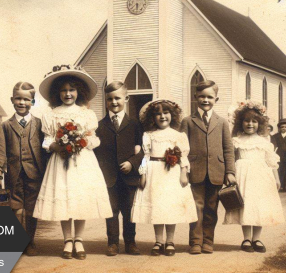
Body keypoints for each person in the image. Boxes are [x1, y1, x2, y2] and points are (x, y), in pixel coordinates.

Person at [33, 65, 112, 260]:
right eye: (63, 90)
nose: (68, 94)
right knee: (64, 198)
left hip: (82, 161)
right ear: (57, 93)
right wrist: (56, 146)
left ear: (79, 92)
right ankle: (67, 239)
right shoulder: (51, 114)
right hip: (60, 161)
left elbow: (94, 139)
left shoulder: (86, 114)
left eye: (72, 90)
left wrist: (82, 141)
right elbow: (47, 139)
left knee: (80, 198)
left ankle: (79, 239)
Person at [131, 99, 197, 256]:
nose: (162, 116)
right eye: (158, 114)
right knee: (157, 206)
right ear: (152, 118)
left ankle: (170, 241)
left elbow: (182, 156)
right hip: (155, 173)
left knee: (170, 207)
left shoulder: (178, 135)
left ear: (172, 115)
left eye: (166, 113)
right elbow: (145, 156)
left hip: (171, 173)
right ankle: (158, 241)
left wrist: (183, 173)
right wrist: (143, 174)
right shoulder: (149, 135)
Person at [180, 80, 236, 255]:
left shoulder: (222, 122)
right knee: (196, 207)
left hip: (216, 172)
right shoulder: (188, 121)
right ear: (195, 97)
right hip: (194, 171)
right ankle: (195, 242)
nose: (205, 100)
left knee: (212, 208)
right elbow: (181, 148)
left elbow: (228, 148)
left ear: (216, 99)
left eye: (209, 97)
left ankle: (208, 241)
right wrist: (183, 171)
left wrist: (230, 171)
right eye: (202, 96)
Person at [224, 101, 283, 254]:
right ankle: (246, 238)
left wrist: (276, 178)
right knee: (246, 205)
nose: (250, 124)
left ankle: (256, 238)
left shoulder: (264, 141)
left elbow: (271, 161)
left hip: (262, 176)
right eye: (246, 121)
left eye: (254, 121)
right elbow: (231, 159)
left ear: (260, 123)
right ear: (240, 123)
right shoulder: (236, 140)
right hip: (243, 175)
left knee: (259, 206)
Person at [94, 81, 144, 256]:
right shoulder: (99, 126)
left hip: (129, 175)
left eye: (117, 98)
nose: (114, 102)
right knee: (112, 209)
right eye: (110, 99)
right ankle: (113, 243)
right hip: (109, 176)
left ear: (126, 98)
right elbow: (96, 152)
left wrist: (132, 162)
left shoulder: (135, 124)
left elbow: (143, 150)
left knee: (129, 209)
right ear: (106, 101)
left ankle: (130, 242)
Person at [2, 82, 48, 256]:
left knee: (31, 207)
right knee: (15, 206)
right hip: (13, 173)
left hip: (34, 172)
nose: (22, 102)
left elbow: (45, 148)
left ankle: (30, 241)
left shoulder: (39, 124)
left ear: (33, 102)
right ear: (12, 100)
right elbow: (1, 150)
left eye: (26, 99)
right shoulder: (6, 125)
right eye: (18, 99)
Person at [271, 119, 286, 192]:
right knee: (280, 170)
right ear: (279, 128)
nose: (283, 128)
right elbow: (274, 146)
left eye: (285, 127)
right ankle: (281, 186)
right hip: (279, 155)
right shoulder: (275, 136)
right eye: (282, 127)